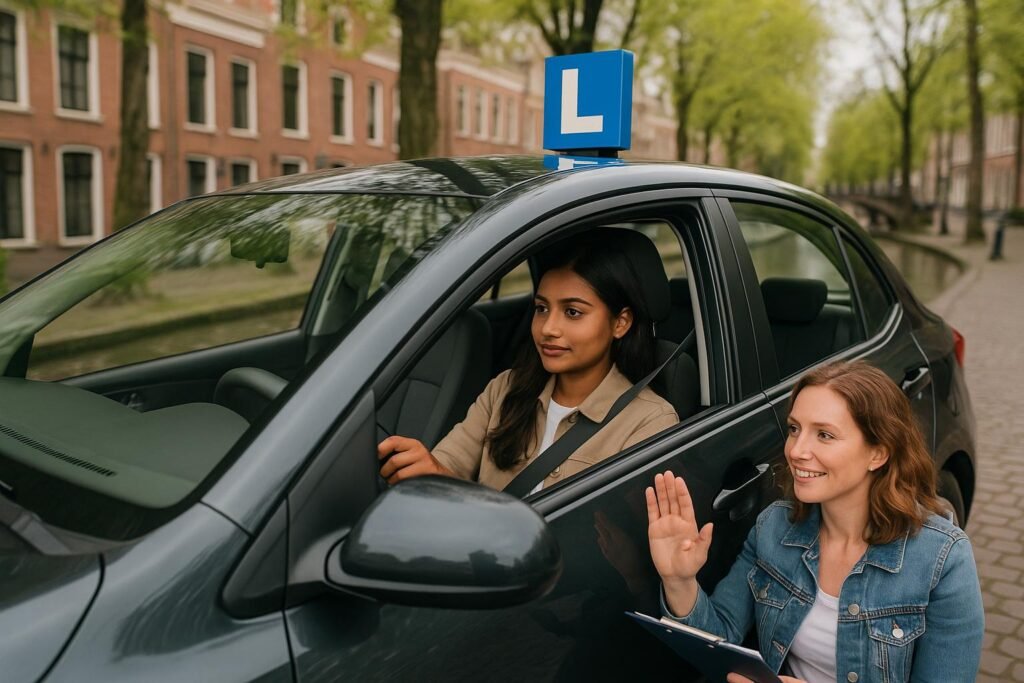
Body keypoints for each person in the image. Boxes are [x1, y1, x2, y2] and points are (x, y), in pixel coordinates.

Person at [645, 360, 983, 683]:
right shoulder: (774, 528)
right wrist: (679, 580)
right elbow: (719, 638)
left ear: (878, 453)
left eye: (824, 435)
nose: (796, 450)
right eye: (795, 429)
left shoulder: (943, 559)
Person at [378, 230, 680, 492]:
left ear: (620, 323)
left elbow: (613, 544)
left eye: (573, 312)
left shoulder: (649, 422)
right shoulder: (505, 389)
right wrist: (426, 469)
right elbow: (449, 464)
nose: (548, 328)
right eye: (541, 308)